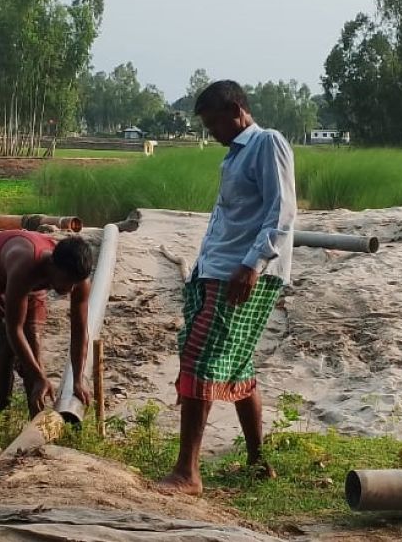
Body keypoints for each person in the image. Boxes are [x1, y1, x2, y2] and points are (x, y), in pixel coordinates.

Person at [157, 80, 296, 496]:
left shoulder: (266, 144)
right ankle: (257, 462)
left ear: (237, 109)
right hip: (216, 270)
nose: (212, 132)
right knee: (237, 365)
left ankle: (188, 472)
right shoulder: (234, 157)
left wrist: (253, 264)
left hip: (241, 273)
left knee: (199, 359)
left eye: (215, 122)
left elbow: (282, 210)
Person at [0, 230, 95, 415]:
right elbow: (14, 329)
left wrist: (78, 378)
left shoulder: (78, 278)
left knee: (34, 346)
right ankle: (2, 414)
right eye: (66, 281)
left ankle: (35, 416)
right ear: (53, 266)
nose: (69, 289)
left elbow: (80, 331)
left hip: (36, 279)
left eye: (74, 284)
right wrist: (39, 377)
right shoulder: (25, 267)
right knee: (6, 350)